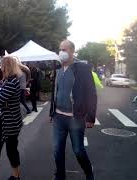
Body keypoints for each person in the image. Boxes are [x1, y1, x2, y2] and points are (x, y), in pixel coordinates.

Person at [50, 40, 97, 180]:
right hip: (58, 117)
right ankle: (60, 175)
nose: (61, 52)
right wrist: (51, 111)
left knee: (78, 150)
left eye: (64, 49)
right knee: (57, 150)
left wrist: (91, 116)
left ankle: (89, 173)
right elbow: (55, 91)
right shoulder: (57, 68)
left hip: (75, 118)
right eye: (60, 49)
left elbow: (91, 93)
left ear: (72, 51)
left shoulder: (82, 68)